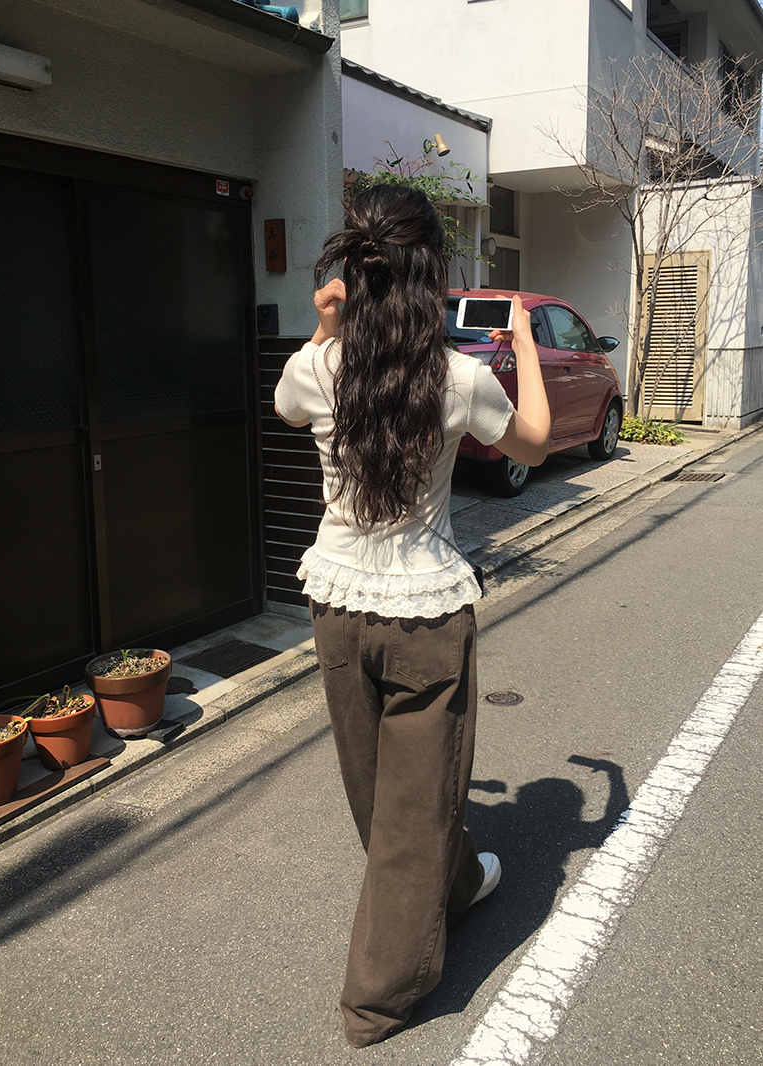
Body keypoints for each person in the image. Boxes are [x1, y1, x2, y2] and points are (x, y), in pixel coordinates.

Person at [274, 184, 551, 1048]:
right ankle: (378, 1001)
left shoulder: (318, 368)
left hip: (336, 607)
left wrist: (324, 324)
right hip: (425, 616)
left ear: (353, 274)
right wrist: (523, 343)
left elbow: (285, 405)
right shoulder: (459, 378)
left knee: (379, 793)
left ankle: (455, 885)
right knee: (413, 806)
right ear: (431, 275)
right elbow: (536, 441)